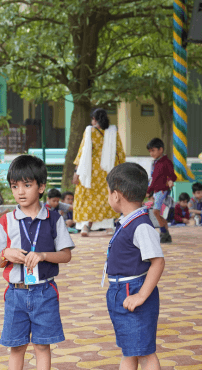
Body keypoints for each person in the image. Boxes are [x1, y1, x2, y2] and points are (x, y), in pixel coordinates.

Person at [0, 155, 74, 369]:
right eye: (15, 186)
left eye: (27, 185)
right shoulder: (6, 221)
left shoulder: (54, 219)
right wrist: (6, 254)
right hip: (15, 293)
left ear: (41, 187)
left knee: (42, 346)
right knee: (17, 347)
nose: (20, 192)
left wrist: (43, 255)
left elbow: (66, 255)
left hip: (45, 292)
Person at [105, 162, 165, 370]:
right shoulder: (128, 221)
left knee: (145, 353)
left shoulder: (141, 225)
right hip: (121, 292)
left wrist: (141, 295)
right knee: (130, 350)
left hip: (133, 291)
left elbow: (158, 261)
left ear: (116, 194)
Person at [72, 108, 126, 237]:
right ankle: (108, 227)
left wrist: (77, 172)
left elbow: (82, 153)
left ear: (95, 119)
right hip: (107, 172)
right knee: (105, 198)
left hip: (90, 172)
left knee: (86, 198)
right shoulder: (113, 132)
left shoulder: (89, 131)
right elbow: (120, 153)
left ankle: (85, 226)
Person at [146, 138, 177, 243]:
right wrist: (150, 190)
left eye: (153, 150)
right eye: (150, 151)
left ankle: (163, 232)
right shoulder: (155, 162)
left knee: (156, 211)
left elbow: (172, 175)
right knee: (159, 213)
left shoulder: (166, 162)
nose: (151, 153)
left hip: (162, 191)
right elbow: (153, 179)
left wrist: (170, 180)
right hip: (156, 191)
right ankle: (166, 235)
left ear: (161, 149)